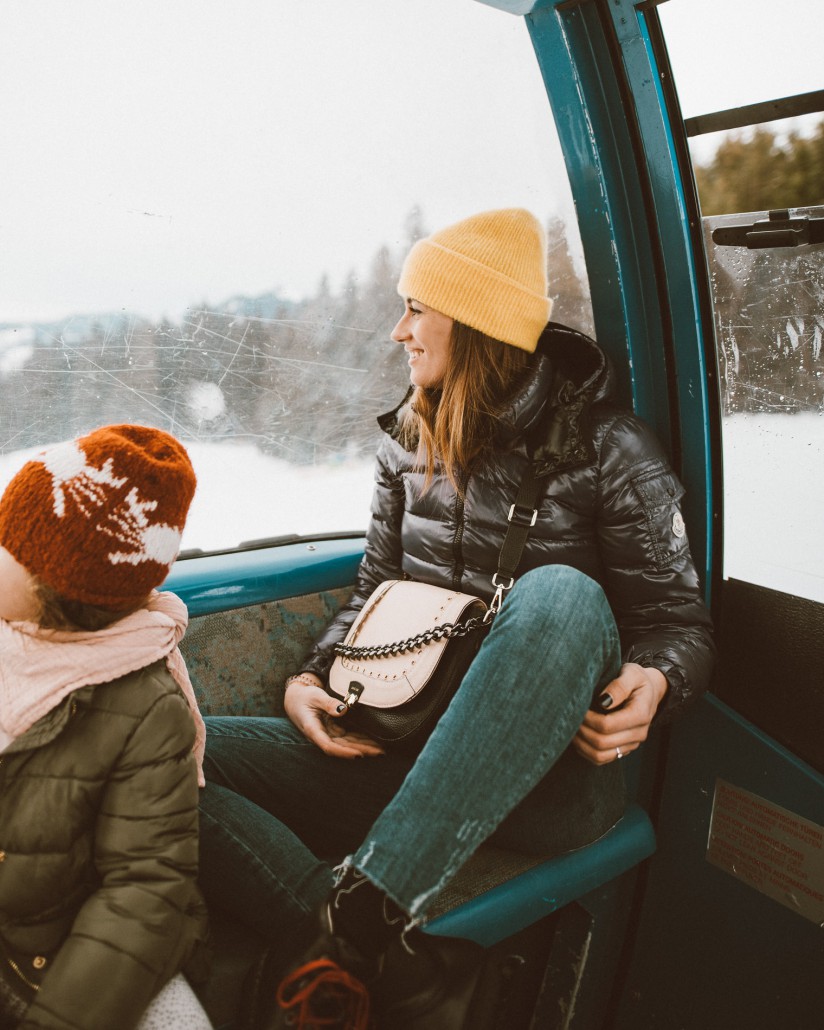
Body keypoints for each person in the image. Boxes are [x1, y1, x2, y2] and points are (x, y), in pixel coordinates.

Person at [198, 209, 715, 1029]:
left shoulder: (610, 449)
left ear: (474, 324)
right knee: (165, 757)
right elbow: (376, 585)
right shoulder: (406, 442)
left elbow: (680, 624)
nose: (396, 330)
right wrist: (308, 678)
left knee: (560, 594)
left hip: (550, 782)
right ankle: (353, 940)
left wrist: (656, 679)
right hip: (403, 747)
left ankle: (368, 910)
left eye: (415, 307)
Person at [0, 424, 213, 1030]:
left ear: (59, 585)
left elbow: (144, 889)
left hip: (56, 954)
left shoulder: (145, 706)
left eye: (6, 543)